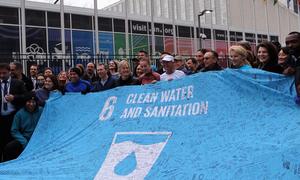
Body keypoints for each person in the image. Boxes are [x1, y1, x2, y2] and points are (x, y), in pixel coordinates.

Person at [3, 93, 43, 161]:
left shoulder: (41, 111)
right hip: (25, 138)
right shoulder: (19, 114)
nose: (31, 104)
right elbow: (14, 130)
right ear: (25, 102)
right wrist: (24, 141)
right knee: (9, 147)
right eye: (29, 102)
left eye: (33, 102)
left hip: (39, 138)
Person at [0, 63, 27, 162]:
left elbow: (26, 97)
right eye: (0, 73)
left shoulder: (18, 83)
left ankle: (10, 162)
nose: (2, 75)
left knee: (10, 144)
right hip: (1, 118)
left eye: (4, 73)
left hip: (13, 118)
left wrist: (14, 97)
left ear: (9, 73)